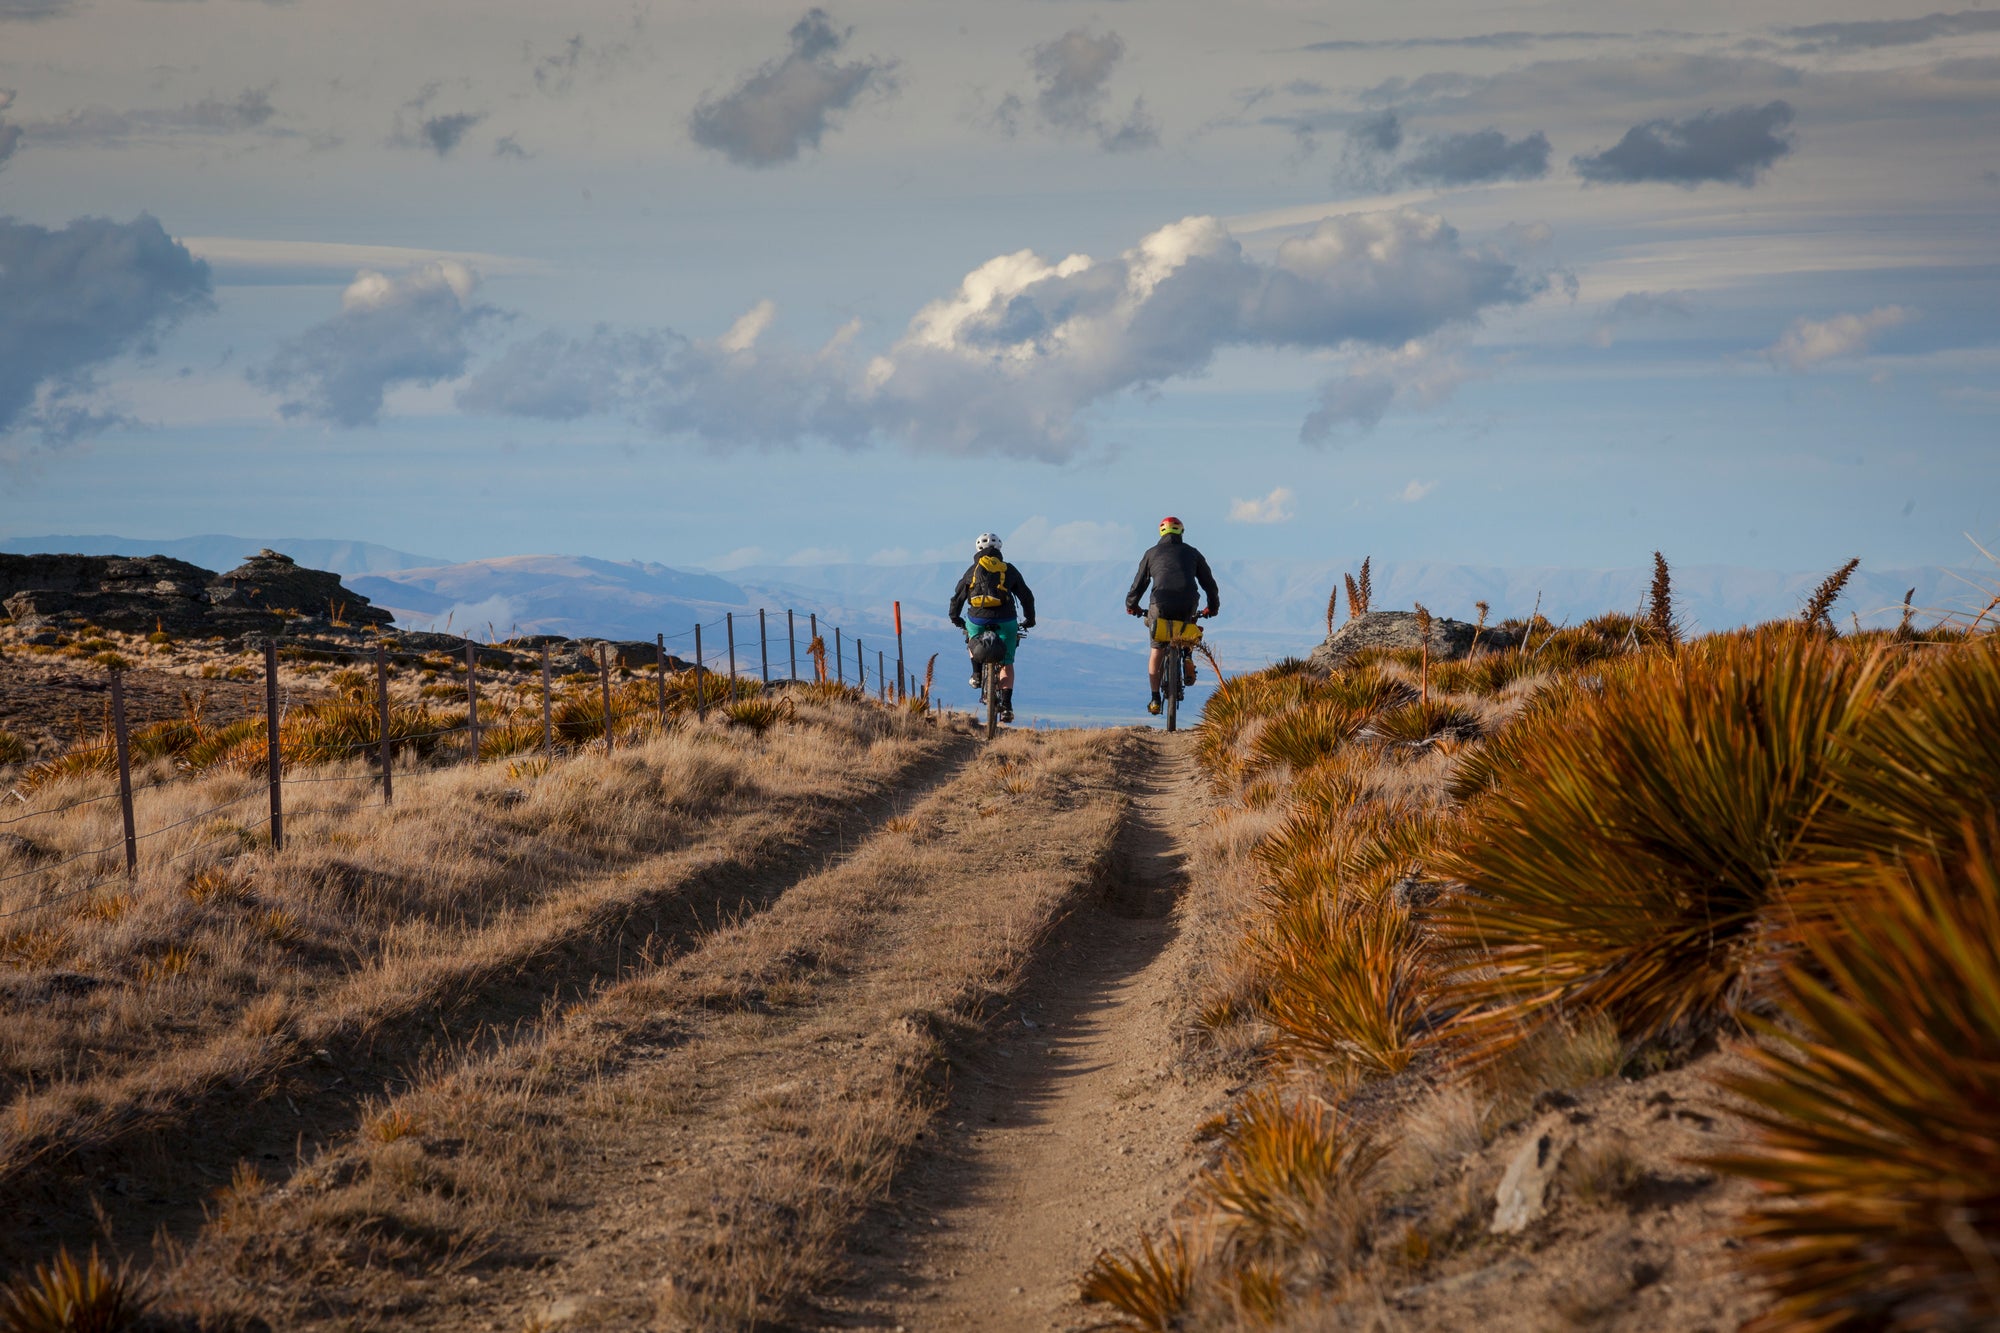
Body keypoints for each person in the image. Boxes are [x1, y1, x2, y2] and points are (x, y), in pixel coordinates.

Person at [1125, 515, 1220, 715]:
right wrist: (1212, 607)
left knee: (1156, 649)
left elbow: (1139, 585)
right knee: (1187, 625)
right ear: (1181, 532)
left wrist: (1132, 606)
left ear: (1161, 532)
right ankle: (1187, 655)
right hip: (1188, 602)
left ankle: (1155, 699)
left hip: (1160, 603)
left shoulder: (1151, 553)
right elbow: (1209, 585)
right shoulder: (1193, 553)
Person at [948, 532, 1036, 723]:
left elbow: (958, 597)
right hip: (1006, 620)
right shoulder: (1008, 569)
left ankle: (977, 674)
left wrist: (955, 618)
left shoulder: (972, 570)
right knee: (1007, 663)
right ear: (999, 549)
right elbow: (1026, 596)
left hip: (977, 618)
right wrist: (1030, 619)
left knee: (971, 639)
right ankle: (1007, 706)